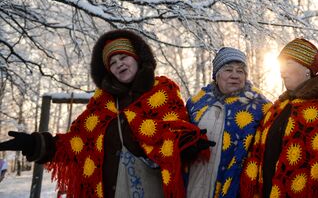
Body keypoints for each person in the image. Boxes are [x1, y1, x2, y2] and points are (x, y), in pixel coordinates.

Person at [0, 29, 212, 198]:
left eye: (123, 57)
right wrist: (34, 144)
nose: (119, 63)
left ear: (138, 59)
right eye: (113, 62)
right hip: (109, 190)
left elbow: (174, 129)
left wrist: (187, 143)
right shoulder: (101, 104)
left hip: (152, 187)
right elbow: (76, 143)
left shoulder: (162, 91)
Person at [240, 38, 318, 197]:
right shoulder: (278, 107)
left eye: (288, 64)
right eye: (281, 65)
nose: (282, 71)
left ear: (307, 68)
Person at [185, 47, 270, 197]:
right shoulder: (197, 104)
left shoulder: (259, 107)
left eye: (240, 71)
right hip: (196, 184)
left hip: (236, 188)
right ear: (216, 75)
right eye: (228, 70)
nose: (235, 76)